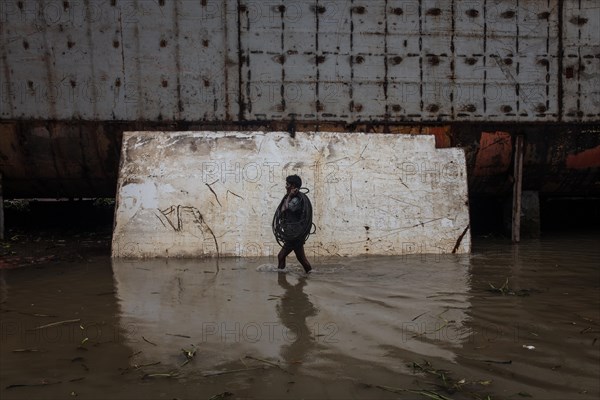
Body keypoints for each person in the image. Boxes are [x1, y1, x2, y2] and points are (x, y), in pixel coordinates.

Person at [277, 175, 313, 273]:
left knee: (281, 256)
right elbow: (282, 211)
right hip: (293, 234)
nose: (285, 187)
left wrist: (289, 196)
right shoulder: (293, 198)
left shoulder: (297, 200)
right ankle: (309, 274)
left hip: (295, 235)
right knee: (301, 259)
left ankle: (281, 278)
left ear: (293, 186)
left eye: (287, 184)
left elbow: (284, 209)